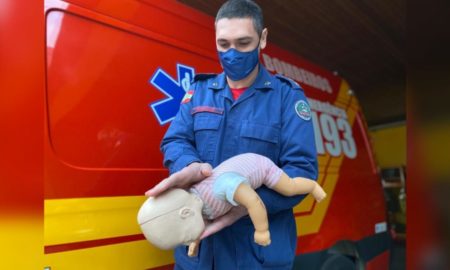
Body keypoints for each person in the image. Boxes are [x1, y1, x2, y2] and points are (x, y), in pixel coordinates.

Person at [146, 0, 318, 269]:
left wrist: (244, 203)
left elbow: (302, 172)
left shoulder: (286, 97)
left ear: (262, 39)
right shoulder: (199, 91)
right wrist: (191, 166)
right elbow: (175, 140)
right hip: (198, 256)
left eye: (243, 43)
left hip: (256, 257)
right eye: (223, 44)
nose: (232, 53)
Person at [139, 153, 326, 257]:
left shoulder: (222, 187)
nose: (186, 241)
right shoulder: (196, 206)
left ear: (186, 212)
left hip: (260, 167)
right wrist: (194, 243)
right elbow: (196, 226)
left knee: (289, 187)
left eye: (185, 238)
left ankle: (313, 186)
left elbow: (253, 201)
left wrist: (261, 230)